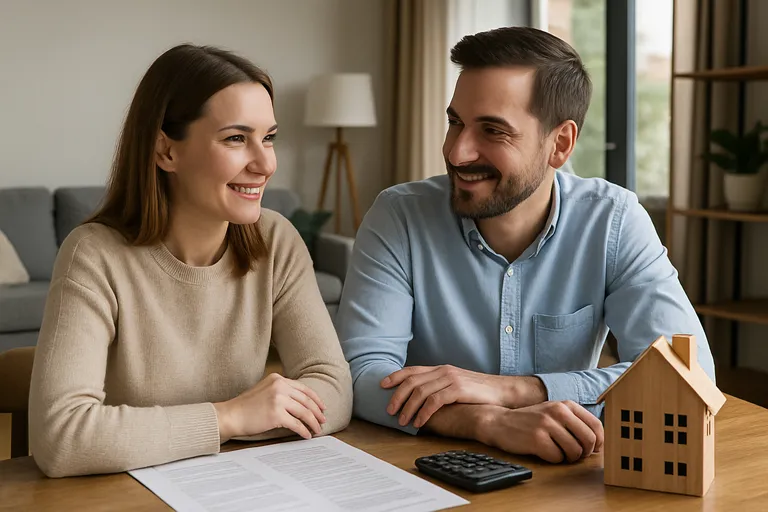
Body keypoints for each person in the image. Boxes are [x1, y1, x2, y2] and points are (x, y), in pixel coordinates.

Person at [335, 27, 715, 464]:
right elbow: (359, 375)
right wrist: (486, 421)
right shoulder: (398, 215)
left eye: (492, 131)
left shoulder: (613, 220)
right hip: (429, 469)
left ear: (560, 144)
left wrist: (514, 389)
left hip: (570, 473)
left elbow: (689, 377)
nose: (457, 152)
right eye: (455, 121)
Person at [28, 44, 352, 478]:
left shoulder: (277, 241)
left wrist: (183, 435)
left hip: (242, 488)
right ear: (166, 151)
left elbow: (333, 390)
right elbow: (62, 437)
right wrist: (230, 418)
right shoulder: (93, 255)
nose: (265, 163)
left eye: (269, 137)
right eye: (236, 138)